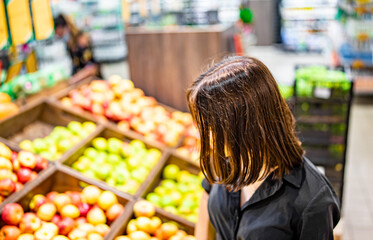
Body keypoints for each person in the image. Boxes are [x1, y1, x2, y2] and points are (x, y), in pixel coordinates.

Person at [188, 56, 340, 240]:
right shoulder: (222, 157)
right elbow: (207, 198)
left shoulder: (312, 202)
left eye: (210, 128)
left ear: (243, 128)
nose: (200, 136)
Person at [54, 14, 101, 83]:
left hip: (93, 82)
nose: (57, 36)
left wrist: (75, 79)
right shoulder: (69, 43)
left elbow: (92, 68)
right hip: (81, 84)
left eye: (59, 33)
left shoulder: (82, 40)